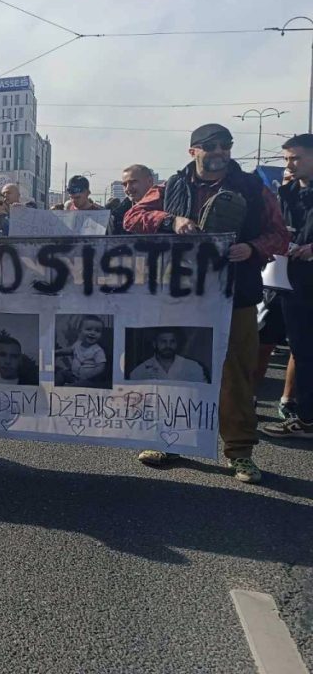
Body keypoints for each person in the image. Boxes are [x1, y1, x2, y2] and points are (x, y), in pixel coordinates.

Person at [124, 123, 289, 483]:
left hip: (236, 295)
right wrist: (171, 220)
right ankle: (168, 441)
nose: (219, 152)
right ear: (193, 151)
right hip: (180, 295)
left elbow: (279, 235)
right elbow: (132, 218)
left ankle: (240, 452)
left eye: (225, 145)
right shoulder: (170, 186)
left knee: (237, 374)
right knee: (173, 371)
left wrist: (252, 248)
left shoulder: (253, 187)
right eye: (210, 146)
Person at [262, 133, 313, 439]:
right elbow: (275, 229)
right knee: (302, 351)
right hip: (291, 282)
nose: (290, 165)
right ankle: (306, 419)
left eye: (296, 158)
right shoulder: (286, 193)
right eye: (286, 159)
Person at [129, 328, 207, 382]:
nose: (168, 346)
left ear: (177, 344)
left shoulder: (193, 367)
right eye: (163, 341)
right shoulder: (139, 372)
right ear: (154, 344)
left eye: (172, 341)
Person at [55, 315, 107, 387]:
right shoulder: (78, 344)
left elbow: (101, 367)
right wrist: (57, 352)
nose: (93, 333)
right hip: (74, 375)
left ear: (101, 335)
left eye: (97, 331)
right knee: (61, 373)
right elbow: (70, 350)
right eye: (89, 329)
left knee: (70, 387)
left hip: (89, 380)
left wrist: (89, 374)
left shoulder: (98, 351)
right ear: (80, 331)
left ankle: (68, 387)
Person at [109, 165, 155, 235]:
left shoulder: (166, 208)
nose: (128, 189)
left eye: (133, 182)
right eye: (125, 185)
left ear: (150, 181)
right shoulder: (118, 216)